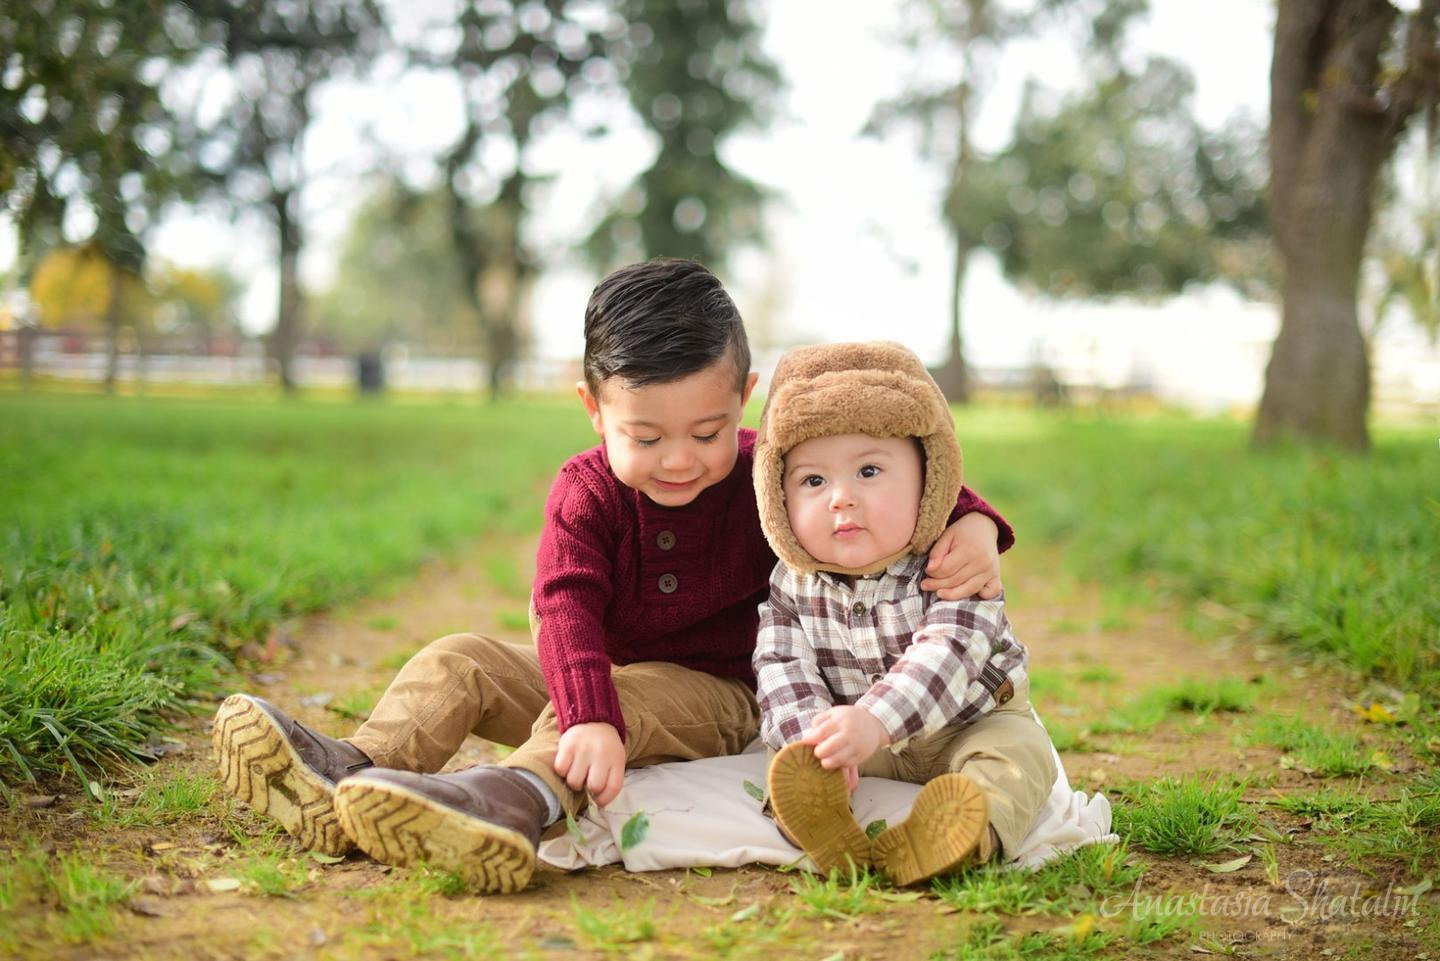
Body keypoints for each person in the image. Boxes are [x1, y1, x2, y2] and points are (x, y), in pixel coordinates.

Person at [212, 260, 1015, 894]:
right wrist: (586, 708)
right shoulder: (586, 491)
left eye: (706, 430)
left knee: (618, 701)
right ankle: (349, 773)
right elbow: (565, 607)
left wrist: (976, 517)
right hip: (601, 681)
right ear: (594, 410)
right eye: (645, 435)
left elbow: (880, 483)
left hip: (720, 694)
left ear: (746, 400)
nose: (678, 459)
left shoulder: (759, 471)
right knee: (459, 657)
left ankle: (513, 801)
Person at [753, 341, 1056, 886]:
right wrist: (815, 739)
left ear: (929, 478)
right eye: (813, 481)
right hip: (860, 743)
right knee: (801, 765)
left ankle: (967, 830)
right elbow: (780, 667)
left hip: (968, 722)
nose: (840, 498)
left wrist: (874, 721)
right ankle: (822, 823)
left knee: (1022, 757)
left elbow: (948, 655)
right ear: (776, 500)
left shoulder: (953, 558)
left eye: (869, 470)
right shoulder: (791, 582)